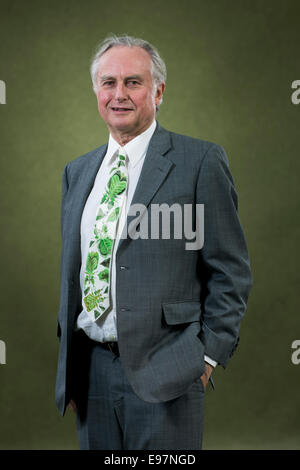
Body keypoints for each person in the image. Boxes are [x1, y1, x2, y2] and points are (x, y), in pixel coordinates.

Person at [55, 34, 252, 450]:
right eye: (108, 83)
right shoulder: (78, 172)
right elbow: (75, 272)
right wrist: (71, 369)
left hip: (170, 370)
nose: (119, 94)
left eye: (133, 82)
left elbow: (229, 270)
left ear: (158, 92)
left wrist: (206, 357)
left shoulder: (199, 161)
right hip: (91, 373)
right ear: (96, 91)